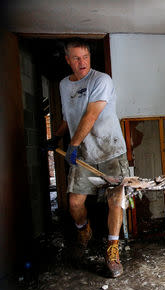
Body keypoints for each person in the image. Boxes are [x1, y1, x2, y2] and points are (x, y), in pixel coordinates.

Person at [48, 38, 128, 277]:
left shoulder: (101, 80)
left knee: (115, 201)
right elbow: (69, 116)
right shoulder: (64, 85)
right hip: (84, 154)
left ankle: (113, 249)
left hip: (111, 151)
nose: (82, 63)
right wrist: (57, 137)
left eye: (85, 57)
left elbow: (91, 114)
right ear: (67, 60)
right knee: (74, 203)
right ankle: (84, 231)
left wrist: (72, 144)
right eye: (76, 58)